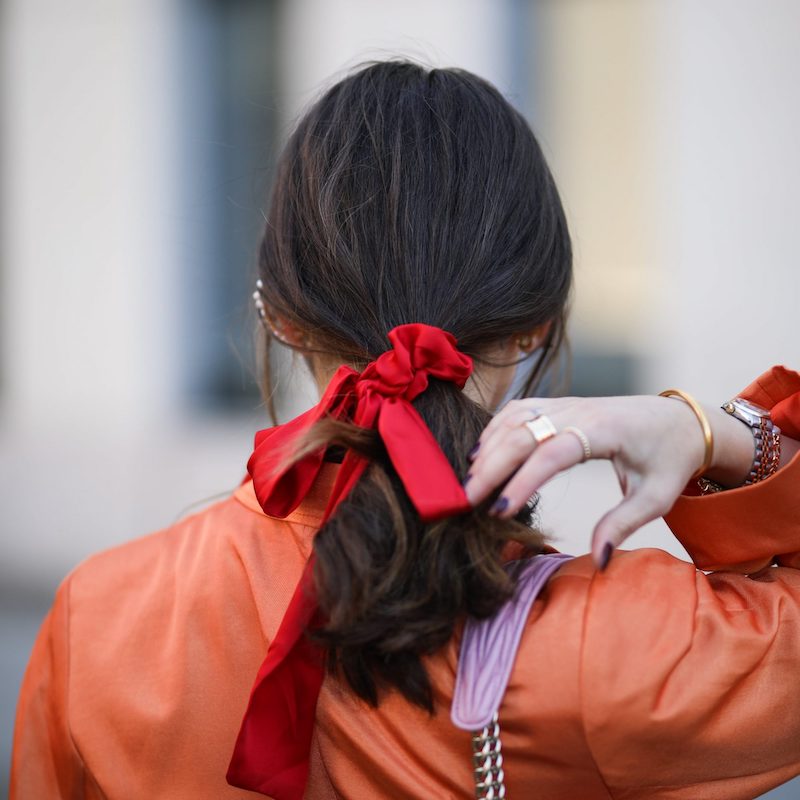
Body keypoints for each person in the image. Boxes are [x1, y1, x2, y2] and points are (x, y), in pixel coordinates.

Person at [10, 58, 800, 799]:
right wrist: (712, 431)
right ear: (534, 328)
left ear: (278, 315)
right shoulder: (617, 645)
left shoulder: (97, 615)